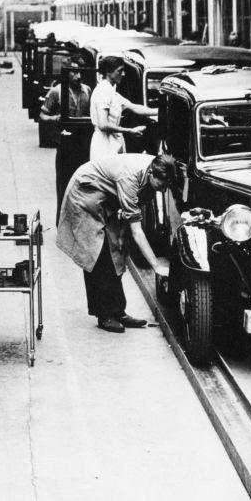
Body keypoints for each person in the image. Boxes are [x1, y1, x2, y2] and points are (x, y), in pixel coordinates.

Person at [57, 153, 180, 332]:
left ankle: (118, 311)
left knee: (117, 253)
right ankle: (104, 315)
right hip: (85, 194)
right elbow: (137, 231)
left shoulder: (155, 170)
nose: (162, 190)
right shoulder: (129, 178)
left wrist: (121, 236)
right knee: (98, 254)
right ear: (151, 174)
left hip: (105, 198)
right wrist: (156, 265)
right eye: (161, 185)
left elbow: (133, 213)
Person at [88, 55, 156, 159]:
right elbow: (103, 124)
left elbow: (134, 107)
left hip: (112, 141)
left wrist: (161, 111)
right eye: (119, 71)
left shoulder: (111, 91)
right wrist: (130, 130)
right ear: (108, 72)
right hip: (104, 144)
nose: (123, 74)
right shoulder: (103, 91)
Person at [40, 54, 92, 122]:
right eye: (74, 72)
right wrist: (55, 118)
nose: (79, 76)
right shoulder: (56, 91)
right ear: (67, 72)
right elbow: (42, 115)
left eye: (80, 72)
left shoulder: (87, 90)